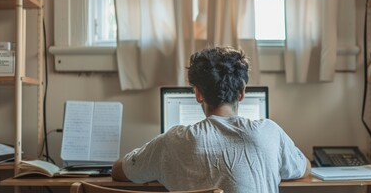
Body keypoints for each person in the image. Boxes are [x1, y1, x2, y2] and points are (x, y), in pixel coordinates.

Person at [112, 46, 310, 193]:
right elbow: (303, 168)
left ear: (198, 94)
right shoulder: (270, 132)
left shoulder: (172, 141)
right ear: (242, 92)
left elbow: (119, 171)